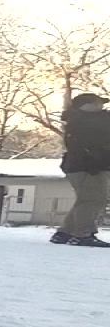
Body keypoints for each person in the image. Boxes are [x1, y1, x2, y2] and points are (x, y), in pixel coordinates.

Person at [53, 92, 110, 247]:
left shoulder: (76, 120)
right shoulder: (86, 121)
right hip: (90, 166)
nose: (101, 105)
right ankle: (82, 234)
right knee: (94, 199)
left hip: (78, 165)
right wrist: (94, 160)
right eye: (97, 103)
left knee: (85, 200)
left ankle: (64, 233)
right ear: (85, 105)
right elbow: (85, 144)